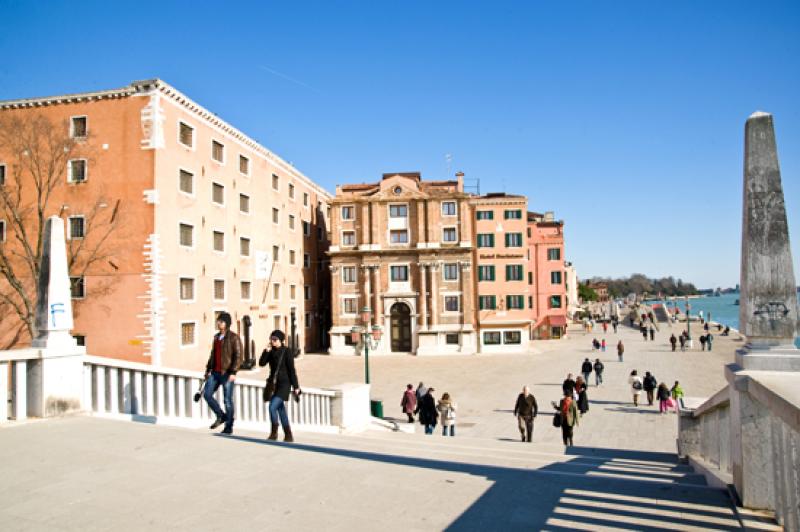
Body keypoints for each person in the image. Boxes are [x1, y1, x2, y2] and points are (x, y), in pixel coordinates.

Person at [203, 312, 243, 435]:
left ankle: (229, 426)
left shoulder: (234, 337)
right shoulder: (216, 337)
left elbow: (239, 356)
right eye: (218, 321)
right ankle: (221, 415)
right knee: (207, 394)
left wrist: (233, 371)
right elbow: (213, 355)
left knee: (227, 400)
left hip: (227, 373)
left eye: (222, 321)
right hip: (215, 373)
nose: (219, 323)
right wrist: (208, 370)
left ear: (227, 323)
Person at [259, 330, 301, 442]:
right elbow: (261, 363)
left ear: (281, 340)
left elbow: (292, 370)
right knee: (280, 409)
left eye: (275, 339)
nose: (272, 341)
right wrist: (266, 351)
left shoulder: (287, 351)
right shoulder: (271, 351)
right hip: (273, 384)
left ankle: (274, 433)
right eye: (271, 339)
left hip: (284, 384)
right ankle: (288, 435)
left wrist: (296, 387)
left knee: (272, 406)